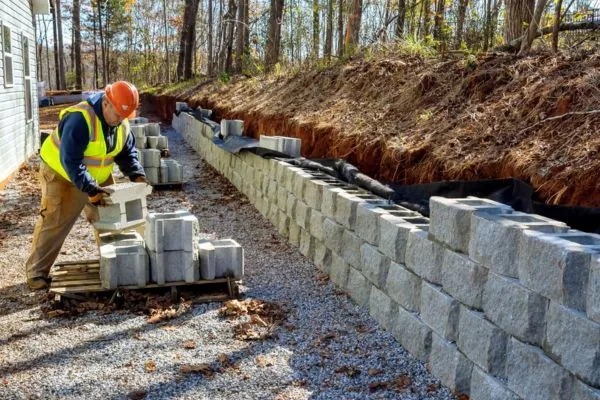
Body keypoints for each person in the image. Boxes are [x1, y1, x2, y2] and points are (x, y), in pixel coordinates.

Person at [26, 81, 148, 290]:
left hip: (97, 177)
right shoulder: (80, 119)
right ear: (106, 103)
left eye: (124, 117)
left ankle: (116, 265)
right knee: (55, 221)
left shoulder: (121, 123)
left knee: (113, 218)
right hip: (61, 173)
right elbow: (71, 161)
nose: (120, 121)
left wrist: (137, 175)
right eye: (117, 115)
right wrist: (90, 189)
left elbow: (126, 153)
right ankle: (37, 273)